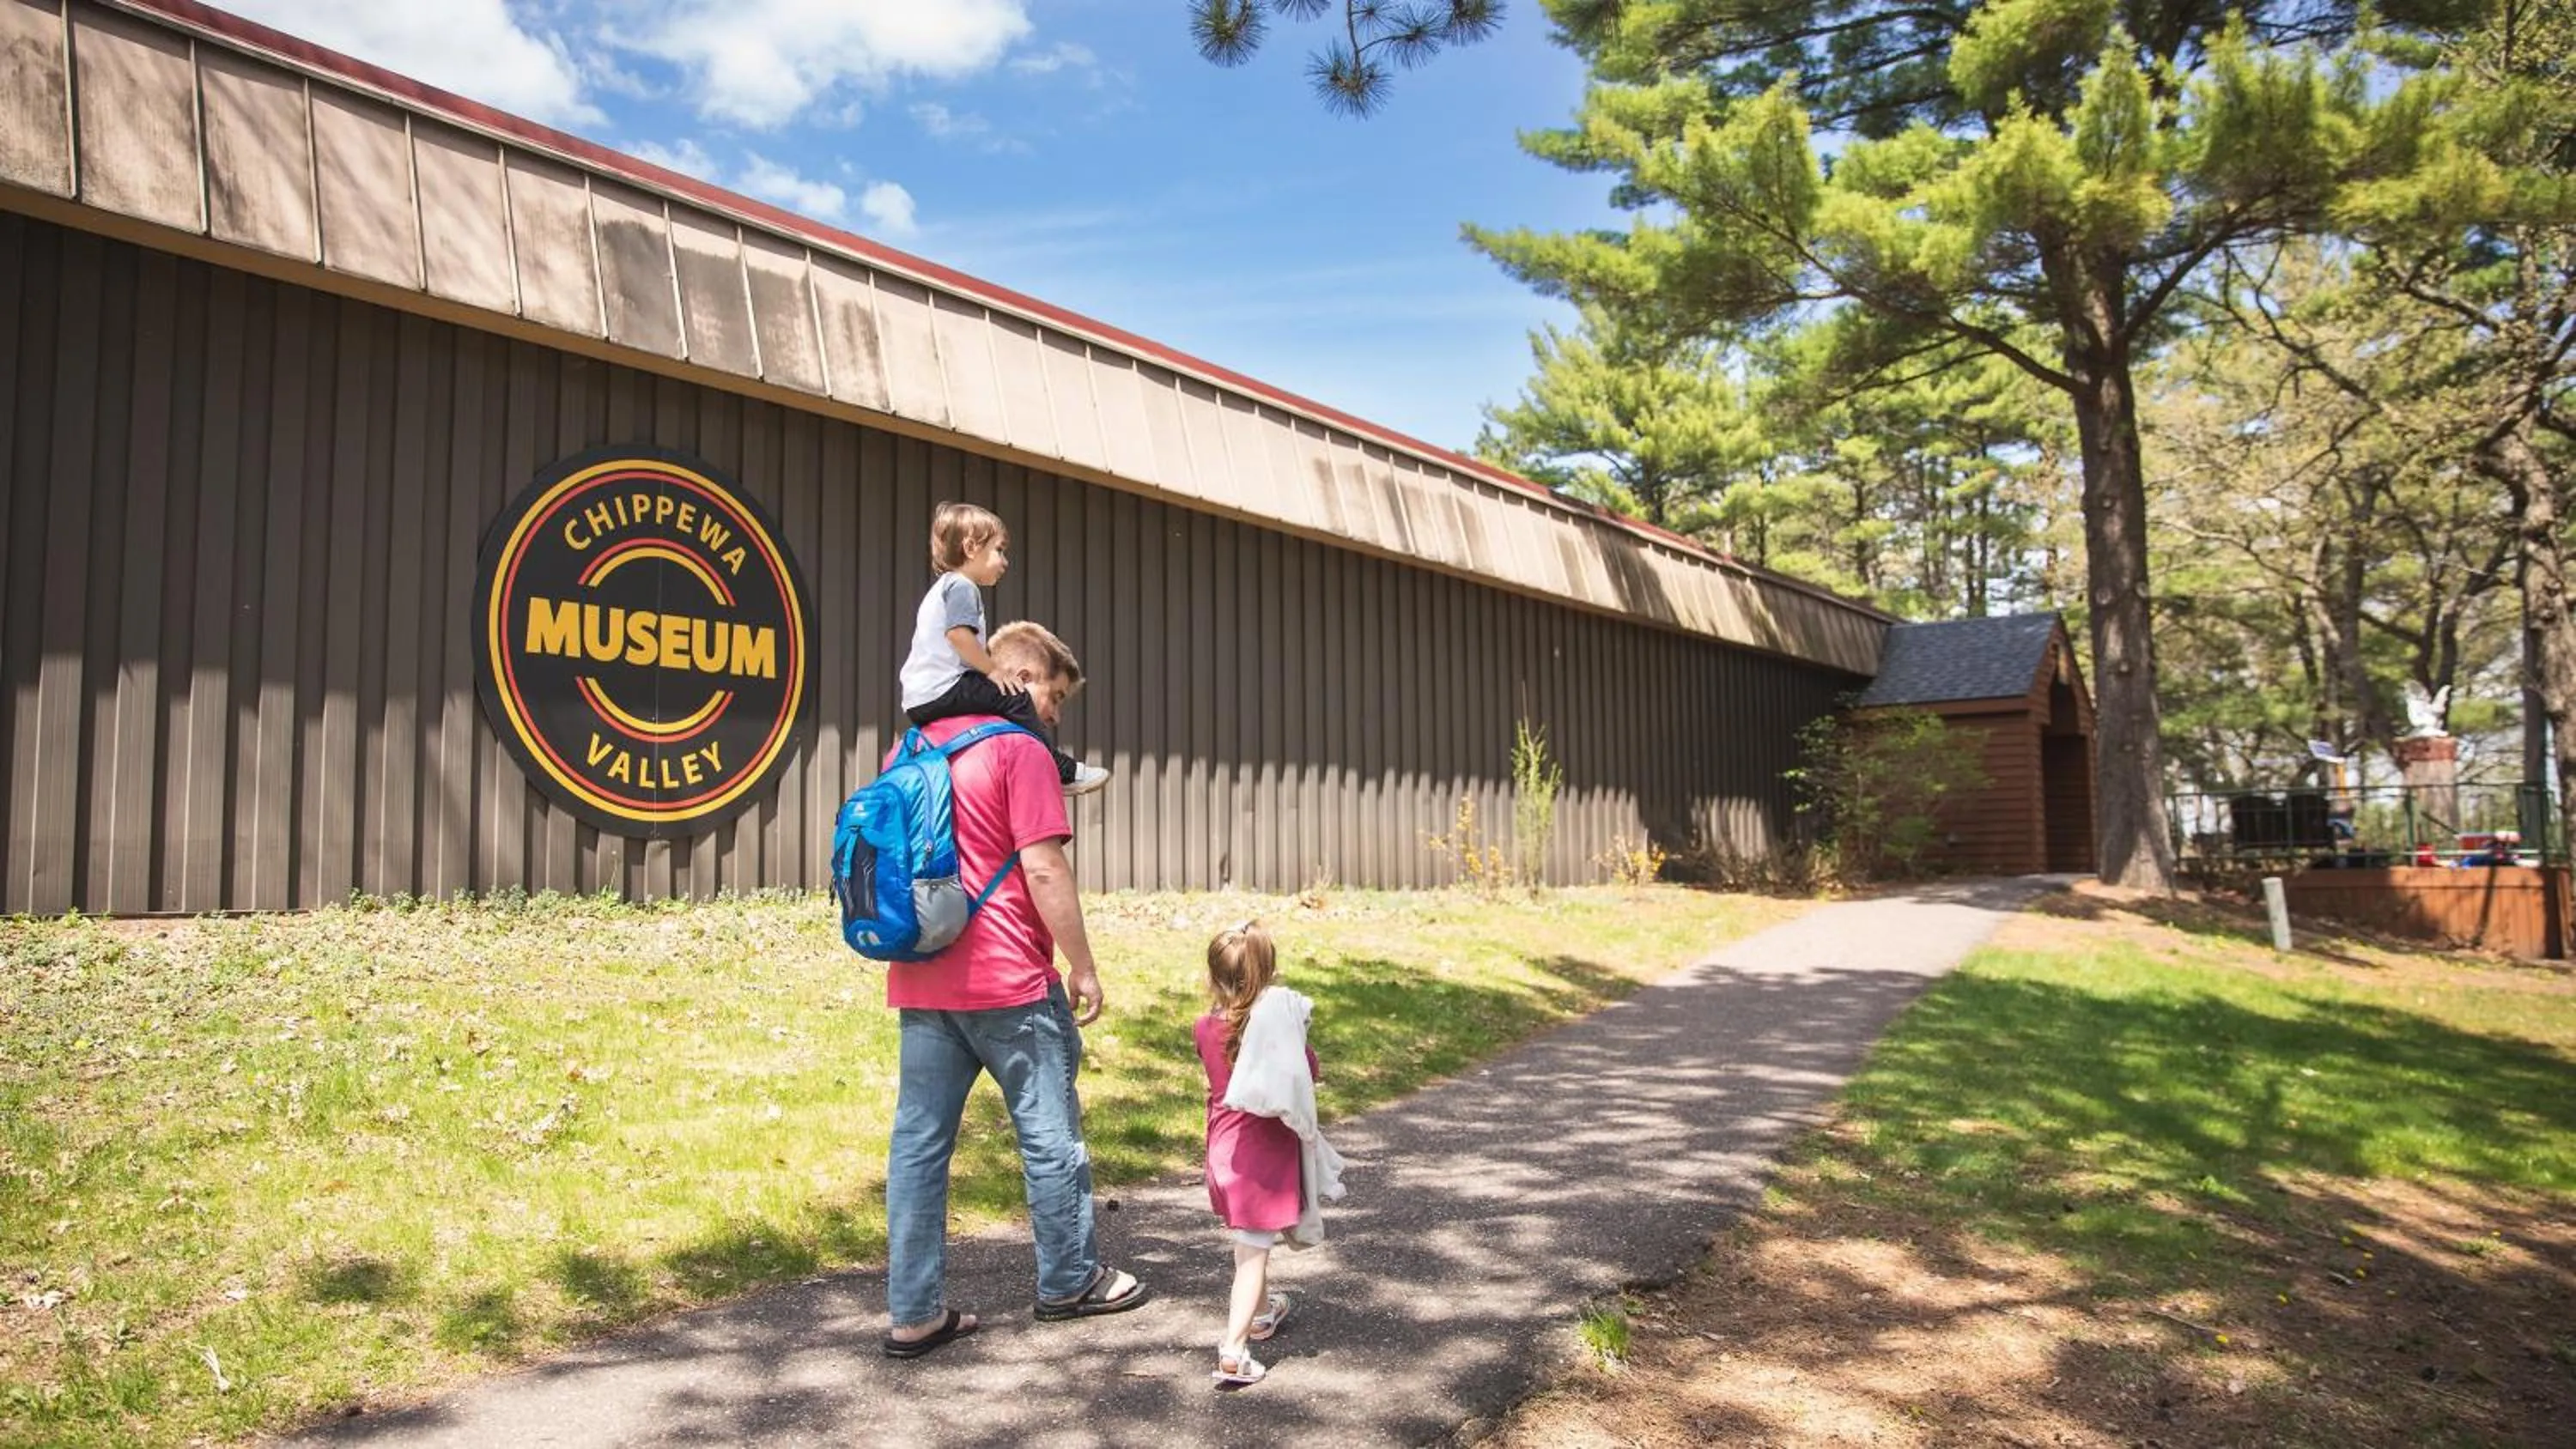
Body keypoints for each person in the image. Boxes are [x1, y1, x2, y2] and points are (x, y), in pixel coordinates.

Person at [880, 621, 1146, 1360]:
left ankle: (913, 1313)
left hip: (920, 975)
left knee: (918, 1150)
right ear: (1021, 679)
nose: (1056, 713)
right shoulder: (1019, 747)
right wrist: (1084, 965)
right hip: (1007, 981)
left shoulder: (909, 747)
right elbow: (1044, 871)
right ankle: (1069, 1281)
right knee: (1049, 1135)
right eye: (1053, 694)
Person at [1195, 921, 1343, 1387]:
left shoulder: (1205, 1027)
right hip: (1260, 1162)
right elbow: (1309, 1072)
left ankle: (1261, 1316)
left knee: (1251, 1243)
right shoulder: (1276, 1031)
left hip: (1224, 1153)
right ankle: (1233, 1351)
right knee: (1252, 1258)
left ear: (1213, 976)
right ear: (1269, 972)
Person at [900, 501, 1109, 795]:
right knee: (1016, 696)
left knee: (995, 697)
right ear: (971, 548)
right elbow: (959, 636)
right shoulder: (963, 587)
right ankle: (1060, 770)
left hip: (919, 697)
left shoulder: (943, 588)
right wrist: (993, 670)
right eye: (999, 550)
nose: (1005, 561)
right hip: (943, 689)